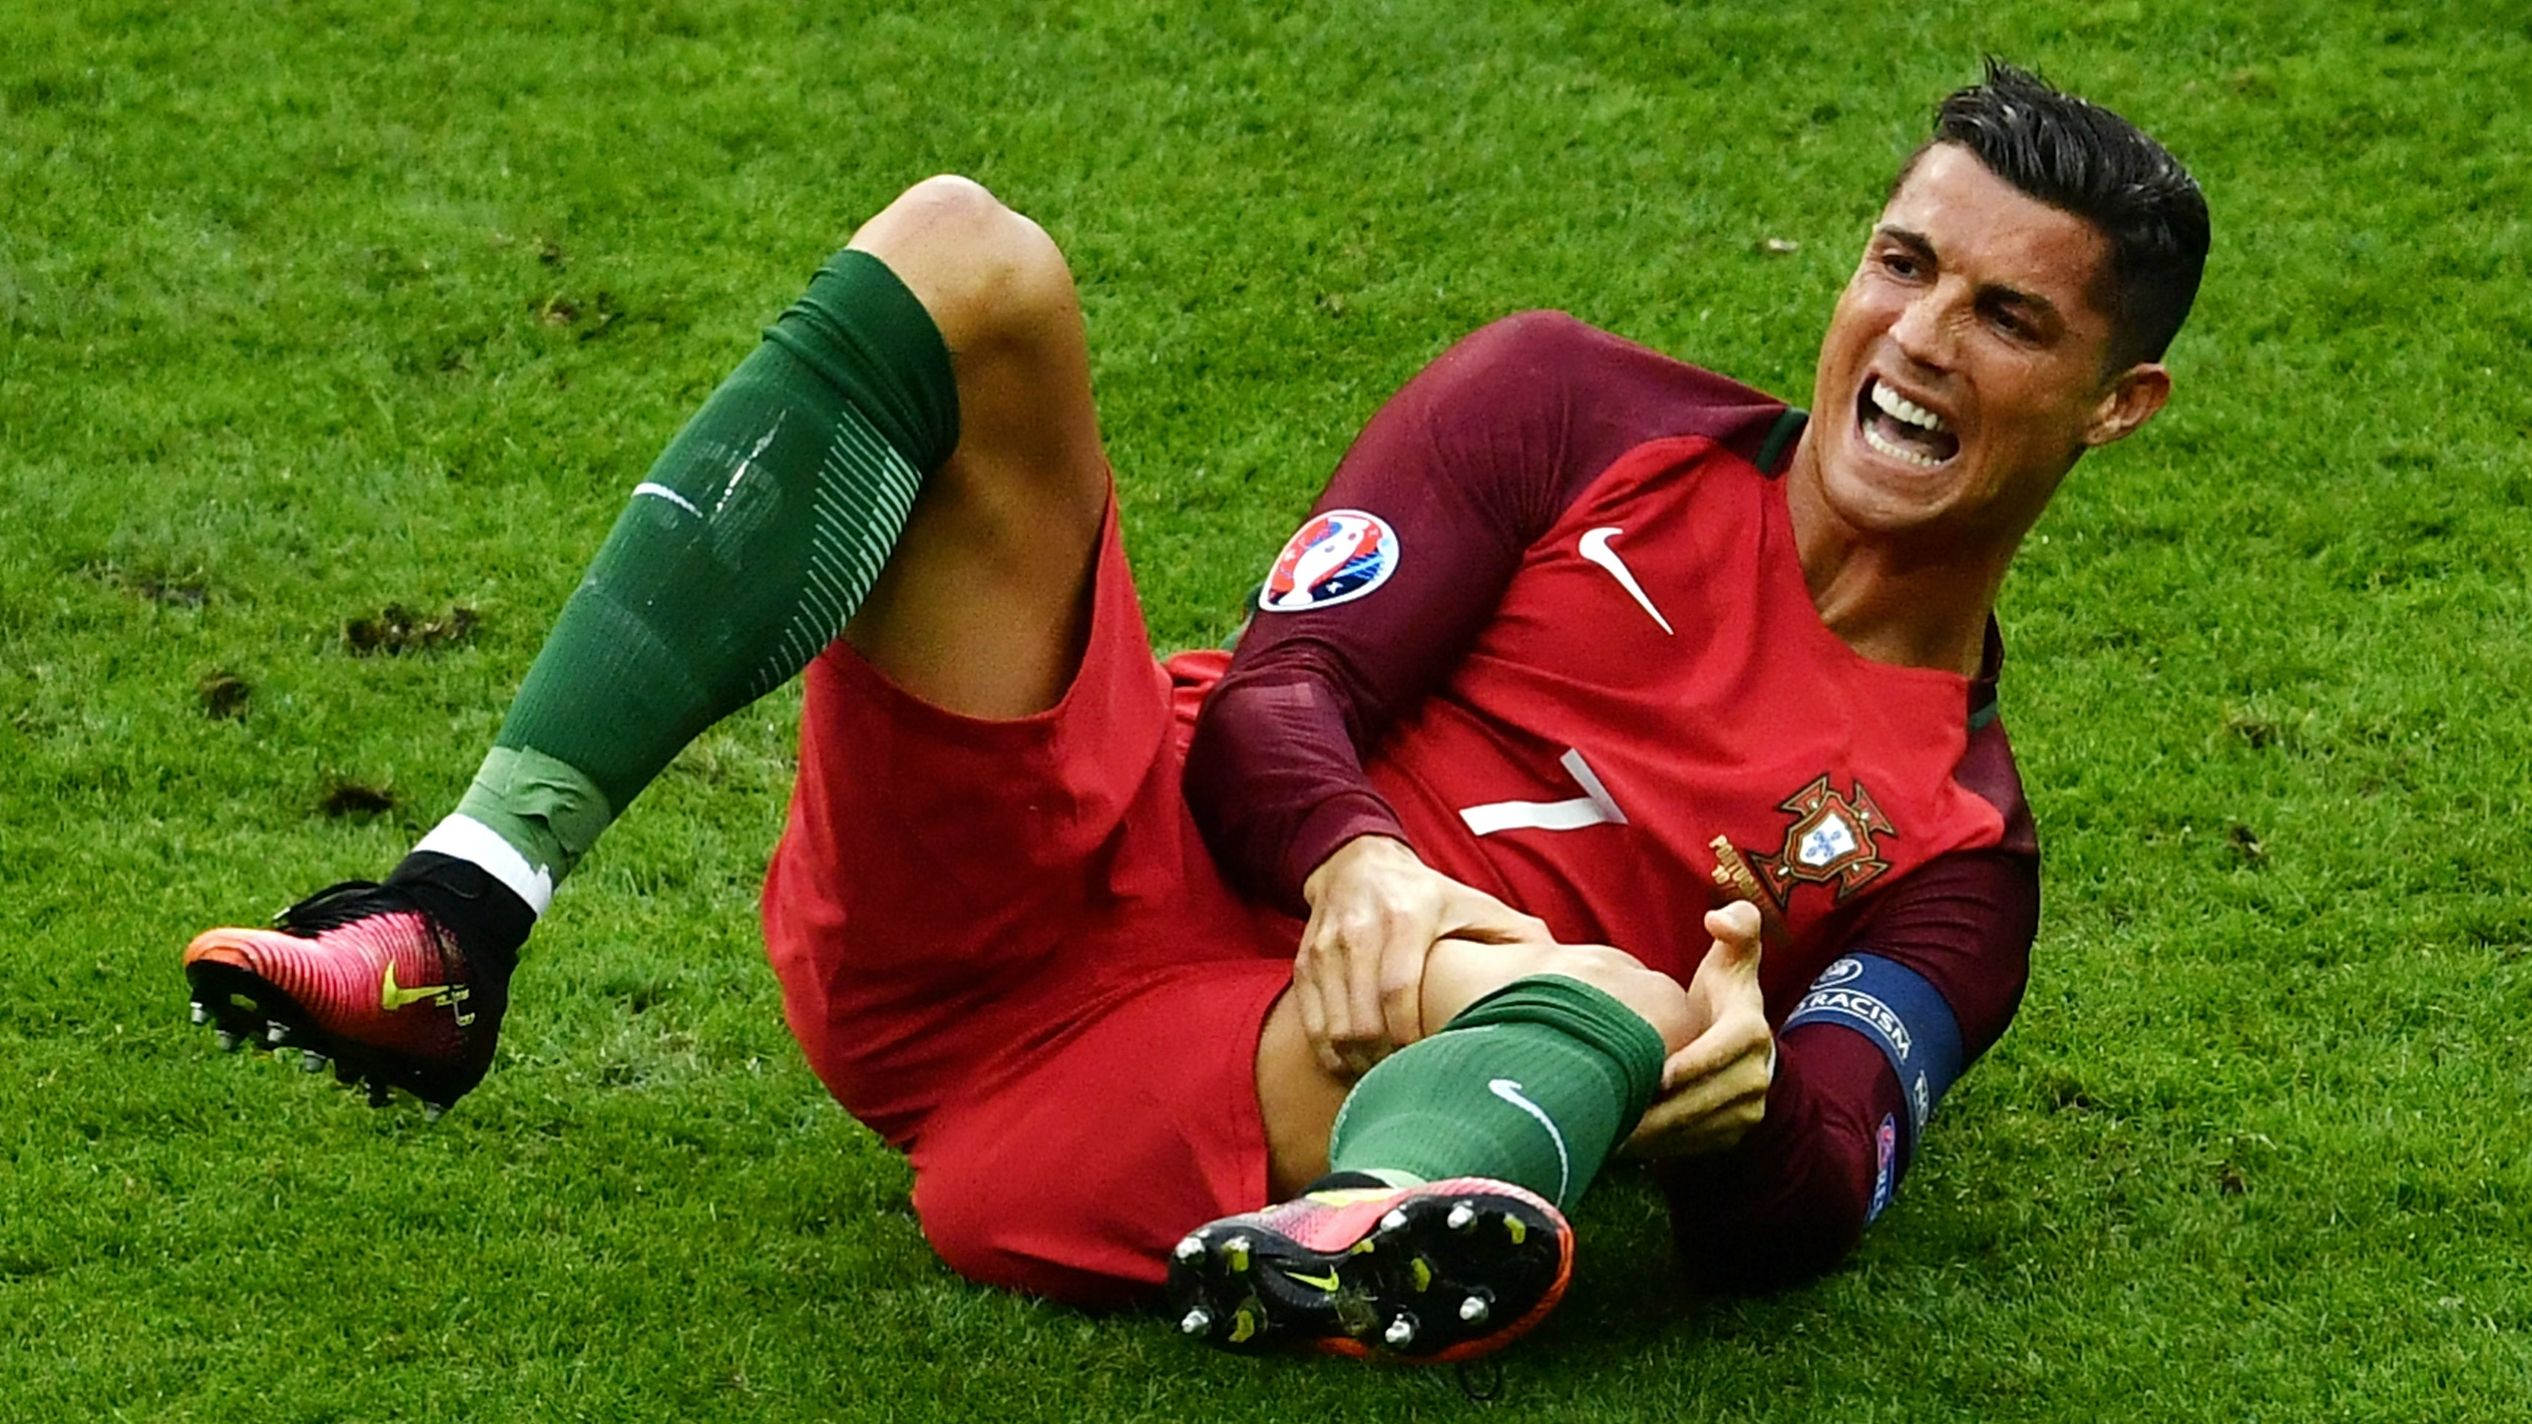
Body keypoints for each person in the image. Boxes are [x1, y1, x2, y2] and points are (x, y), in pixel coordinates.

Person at [181, 60, 2208, 1363]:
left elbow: (1826, 1178)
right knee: (970, 259)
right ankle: (459, 910)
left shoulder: (1957, 852)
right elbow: (1282, 699)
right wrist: (1362, 860)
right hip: (1060, 857)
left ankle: (1365, 1232)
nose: (1917, 342)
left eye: (2007, 317)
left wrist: (1745, 1108)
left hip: (1262, 1078)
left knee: (1641, 998)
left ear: (2118, 409)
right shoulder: (1576, 408)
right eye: (1904, 264)